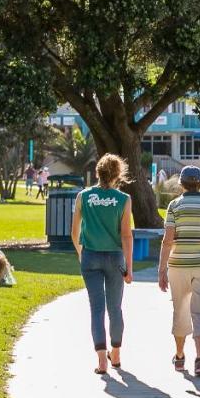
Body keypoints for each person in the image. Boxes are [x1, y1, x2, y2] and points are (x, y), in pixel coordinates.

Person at [159, 165, 200, 378]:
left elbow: (167, 241)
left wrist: (161, 270)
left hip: (178, 265)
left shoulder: (174, 206)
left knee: (180, 310)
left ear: (181, 184)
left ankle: (179, 356)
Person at [71, 153, 134, 375]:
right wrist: (129, 267)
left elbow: (74, 232)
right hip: (115, 258)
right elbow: (126, 235)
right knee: (115, 308)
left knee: (96, 309)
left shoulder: (83, 196)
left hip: (90, 256)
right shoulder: (124, 199)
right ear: (118, 174)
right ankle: (115, 353)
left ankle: (101, 360)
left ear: (97, 173)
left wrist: (81, 253)